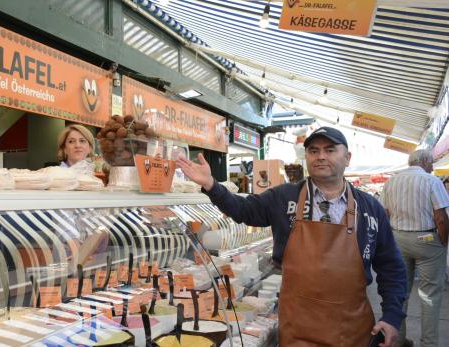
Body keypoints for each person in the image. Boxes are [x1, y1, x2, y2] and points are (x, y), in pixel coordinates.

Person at [177, 126, 408, 346]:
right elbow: (243, 210)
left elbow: (391, 266)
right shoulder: (284, 197)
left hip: (350, 329)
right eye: (313, 151)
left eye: (329, 150)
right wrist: (211, 185)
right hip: (297, 328)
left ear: (347, 158)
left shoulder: (369, 208)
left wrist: (392, 315)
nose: (320, 156)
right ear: (306, 157)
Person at [380, 150, 449, 347]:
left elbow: (384, 213)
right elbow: (441, 218)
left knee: (400, 291)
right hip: (427, 239)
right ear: (425, 162)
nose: (433, 167)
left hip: (398, 239)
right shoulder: (431, 181)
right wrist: (443, 242)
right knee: (430, 295)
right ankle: (428, 343)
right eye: (432, 163)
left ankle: (398, 340)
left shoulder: (391, 181)